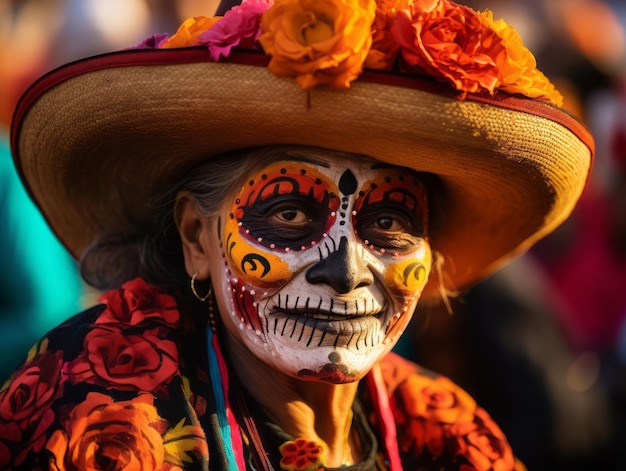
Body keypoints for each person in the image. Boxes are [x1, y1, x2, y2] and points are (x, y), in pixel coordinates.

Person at [0, 0, 593, 469]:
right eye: (289, 215)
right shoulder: (94, 428)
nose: (347, 269)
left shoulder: (446, 433)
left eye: (388, 222)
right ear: (194, 238)